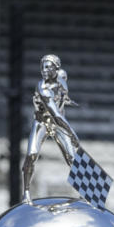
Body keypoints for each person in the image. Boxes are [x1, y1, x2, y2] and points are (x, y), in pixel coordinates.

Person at [21, 54, 81, 203]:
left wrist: (68, 100)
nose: (44, 69)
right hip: (43, 122)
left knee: (72, 157)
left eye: (48, 66)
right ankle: (26, 191)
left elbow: (63, 96)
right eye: (42, 66)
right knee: (31, 155)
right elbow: (55, 114)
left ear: (56, 68)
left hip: (58, 123)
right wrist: (72, 133)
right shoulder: (42, 88)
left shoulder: (62, 79)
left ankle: (83, 192)